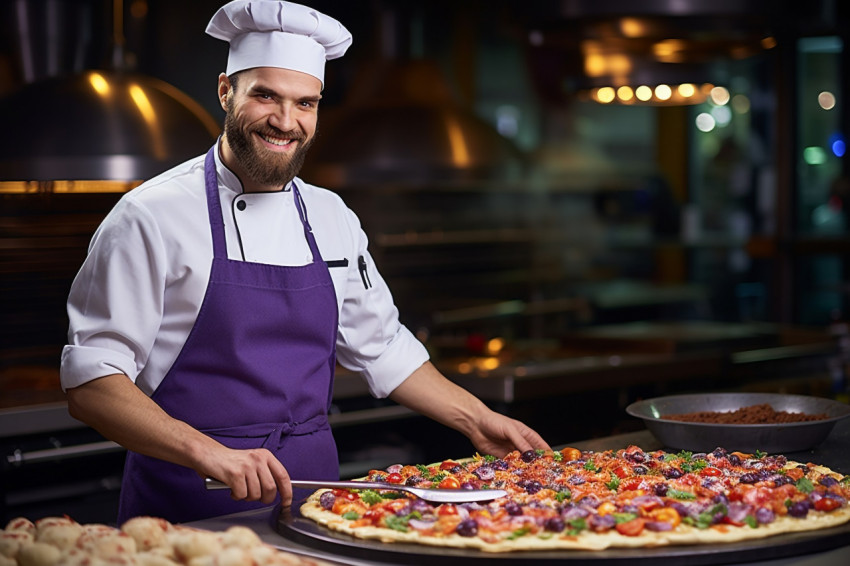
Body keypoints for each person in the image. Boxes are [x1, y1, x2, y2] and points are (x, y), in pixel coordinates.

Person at [60, 0, 548, 524]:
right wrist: (208, 452)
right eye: (265, 95)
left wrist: (476, 419)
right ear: (226, 91)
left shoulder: (331, 214)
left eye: (305, 103)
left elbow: (382, 346)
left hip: (313, 499)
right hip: (189, 500)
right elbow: (93, 385)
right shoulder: (148, 216)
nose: (285, 122)